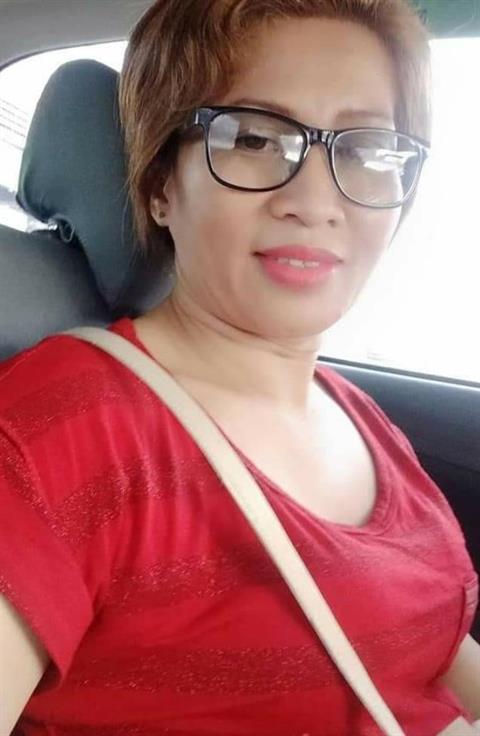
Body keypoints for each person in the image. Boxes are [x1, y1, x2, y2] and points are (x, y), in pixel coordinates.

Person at [1, 0, 480, 734]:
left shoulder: (358, 414)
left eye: (368, 149)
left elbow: (436, 649)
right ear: (161, 185)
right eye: (254, 137)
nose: (315, 201)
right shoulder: (55, 432)